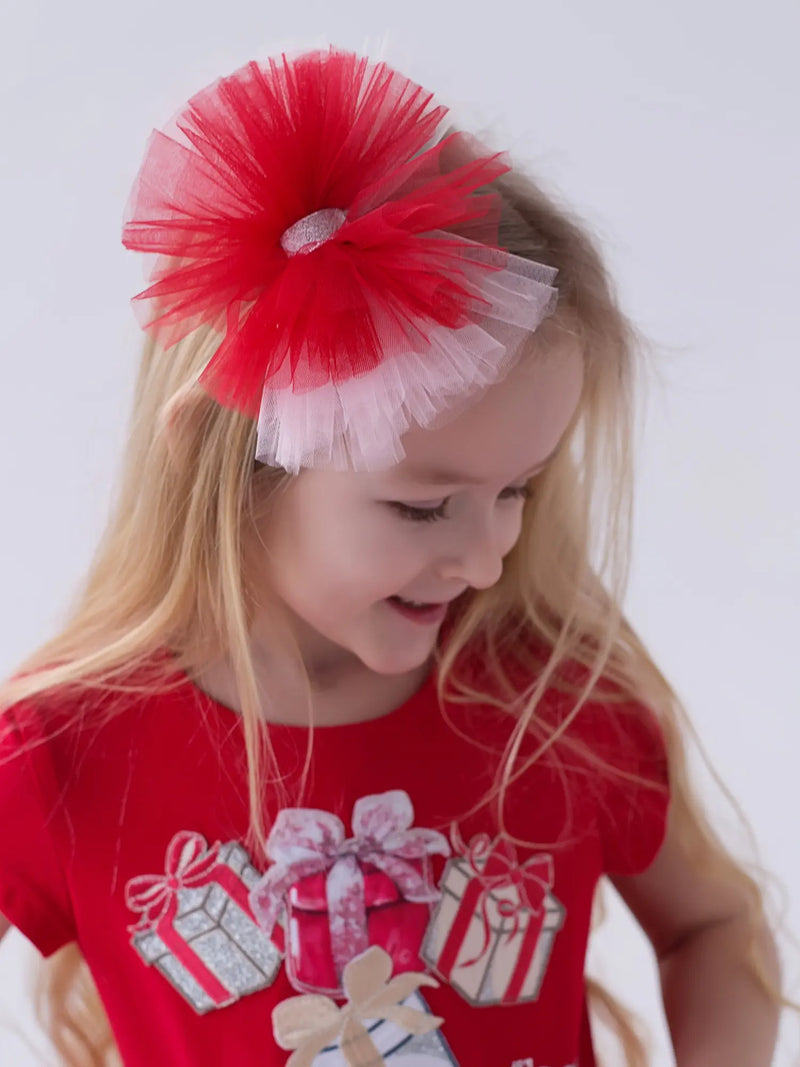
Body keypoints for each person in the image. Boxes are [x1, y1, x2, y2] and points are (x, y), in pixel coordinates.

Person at [0, 46, 788, 1067]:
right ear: (229, 460)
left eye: (518, 490)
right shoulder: (64, 757)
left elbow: (711, 927)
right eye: (423, 508)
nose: (487, 557)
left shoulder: (552, 701)